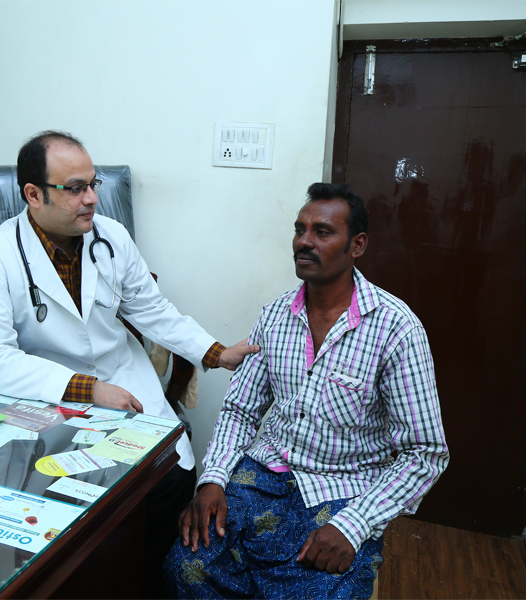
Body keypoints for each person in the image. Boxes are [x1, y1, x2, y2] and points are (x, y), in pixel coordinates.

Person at [0, 130, 259, 598]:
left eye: (93, 183)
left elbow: (153, 311)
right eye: (75, 188)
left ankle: (145, 587)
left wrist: (216, 352)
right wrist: (88, 389)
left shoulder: (111, 238)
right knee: (62, 500)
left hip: (124, 380)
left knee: (169, 479)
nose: (92, 198)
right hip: (47, 398)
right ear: (33, 194)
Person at [165, 183, 449, 599]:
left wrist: (353, 526)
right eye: (300, 230)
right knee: (187, 565)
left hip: (345, 488)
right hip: (263, 476)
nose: (304, 241)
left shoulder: (396, 329)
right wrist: (213, 480)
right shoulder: (275, 316)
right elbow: (241, 410)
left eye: (322, 232)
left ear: (357, 245)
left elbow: (425, 453)